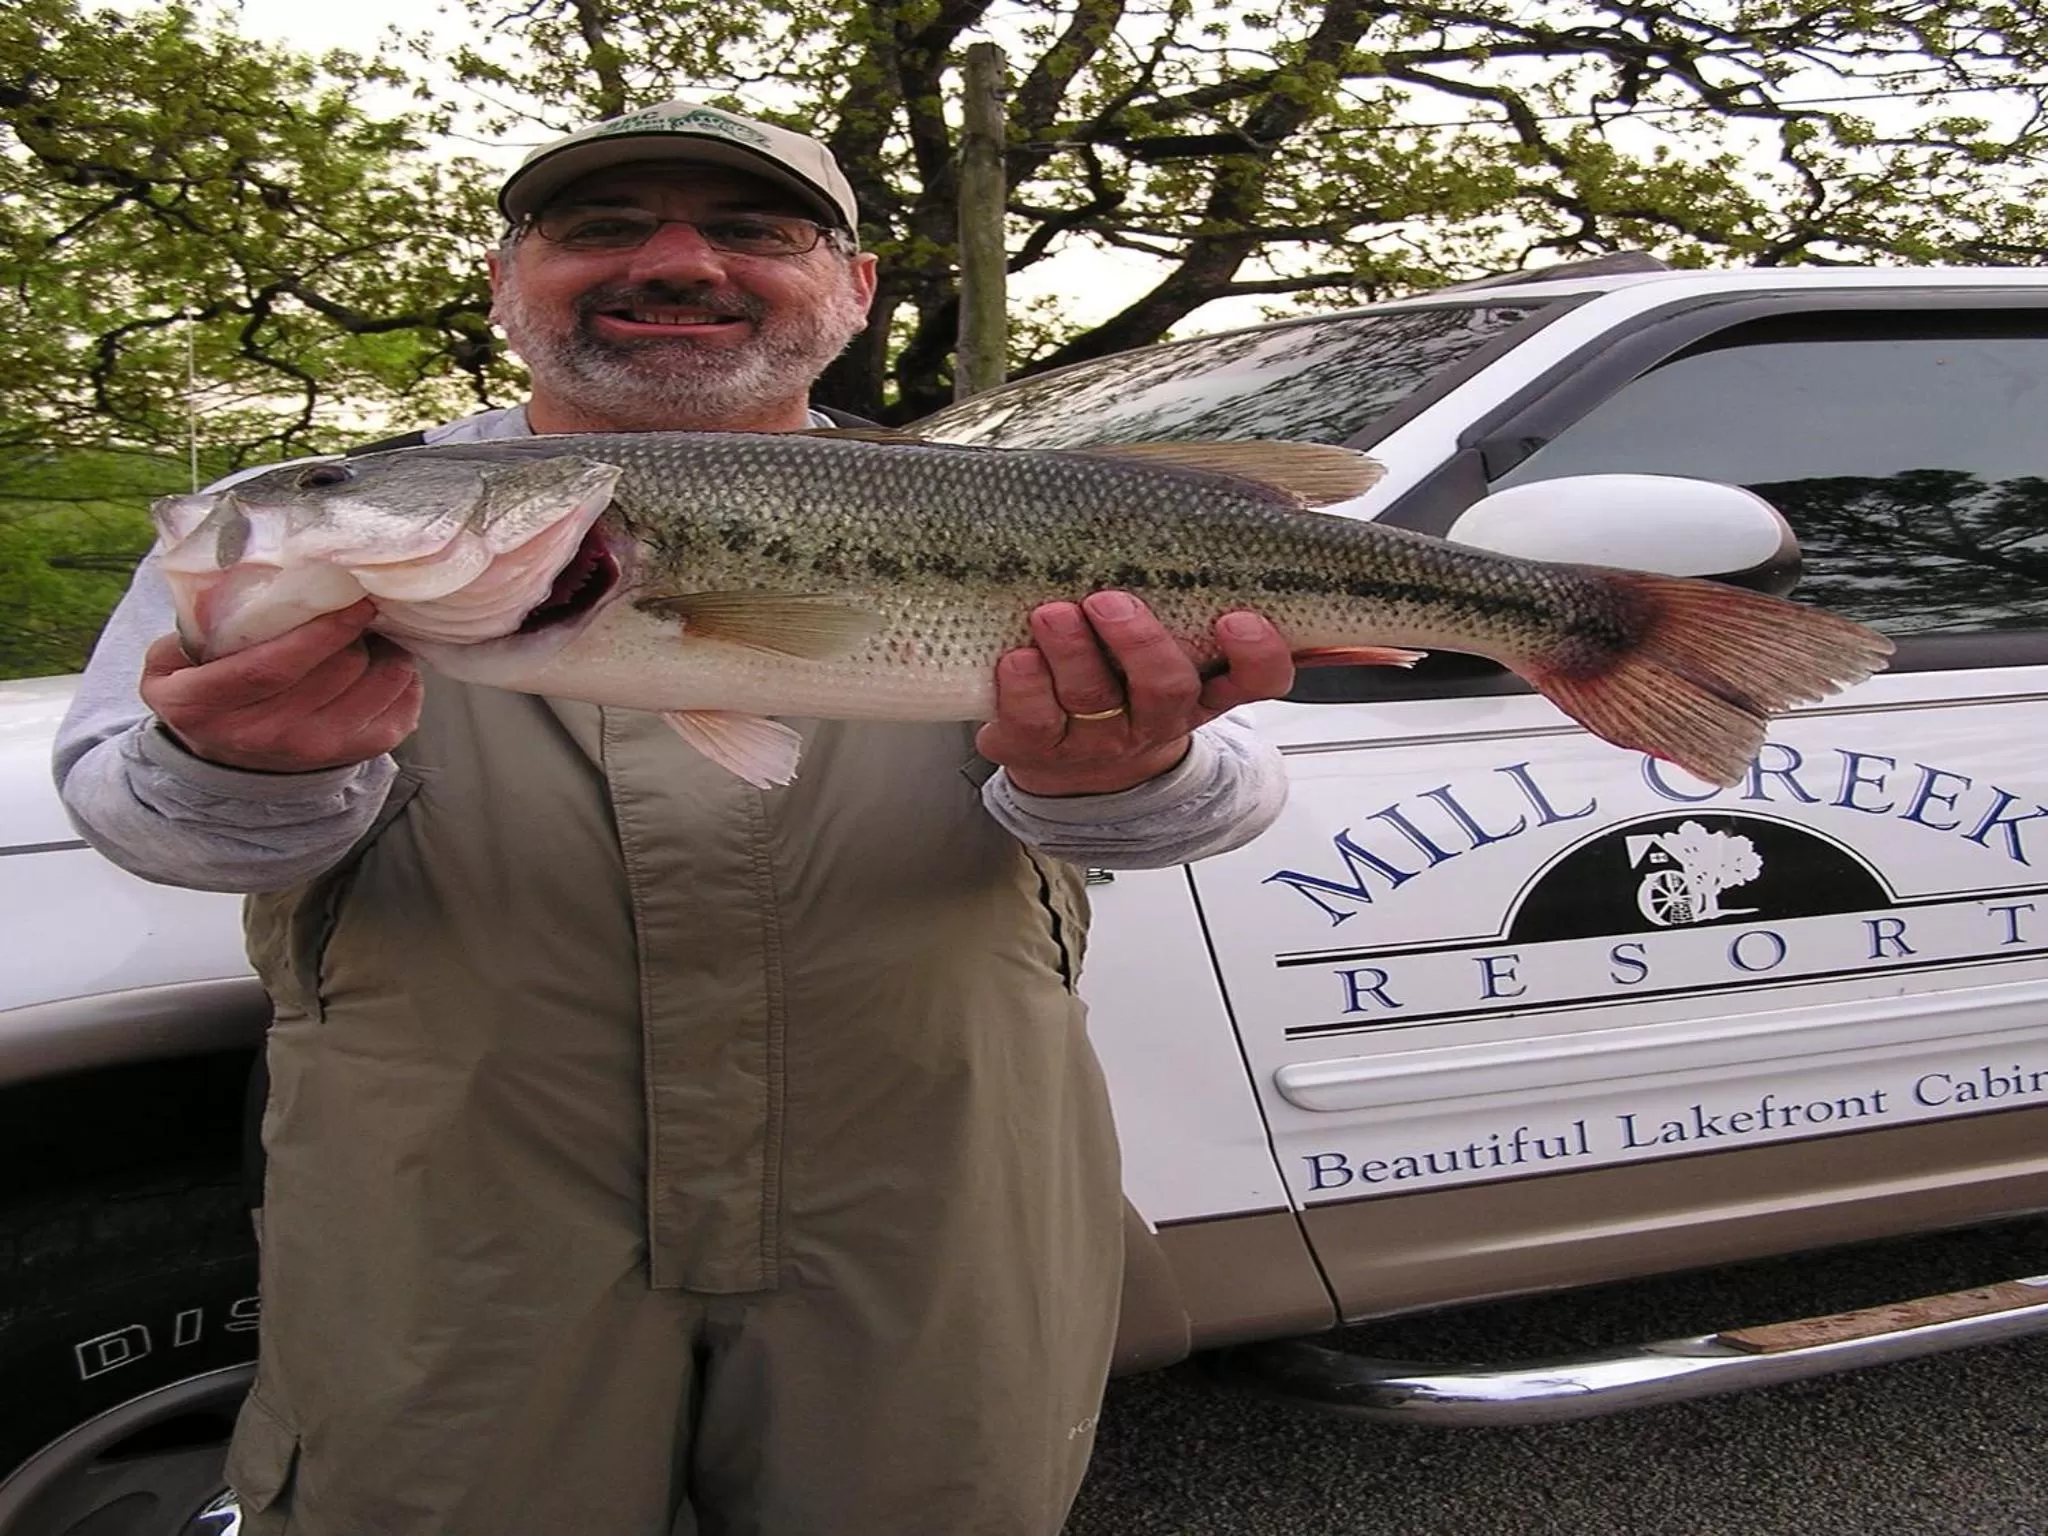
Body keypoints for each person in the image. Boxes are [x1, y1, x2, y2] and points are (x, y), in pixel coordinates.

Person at [55, 100, 1299, 1536]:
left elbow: (1229, 799)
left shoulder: (1003, 508)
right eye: (596, 231)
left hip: (929, 1208)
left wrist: (1117, 775)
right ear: (504, 281)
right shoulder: (299, 530)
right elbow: (150, 825)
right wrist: (251, 772)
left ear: (854, 291)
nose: (674, 263)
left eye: (752, 231)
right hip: (458, 1226)